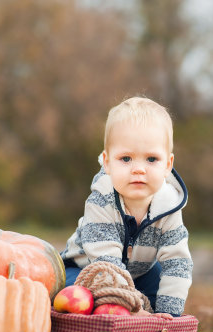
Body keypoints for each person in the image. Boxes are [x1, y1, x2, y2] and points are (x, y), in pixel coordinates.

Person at [61, 96, 192, 319]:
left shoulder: (169, 207)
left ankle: (155, 328)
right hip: (87, 269)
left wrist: (168, 314)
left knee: (159, 282)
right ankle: (117, 321)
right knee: (83, 296)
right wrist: (134, 308)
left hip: (139, 273)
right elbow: (107, 263)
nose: (139, 169)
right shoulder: (101, 201)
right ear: (107, 162)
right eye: (126, 158)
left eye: (151, 159)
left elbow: (177, 263)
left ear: (168, 165)